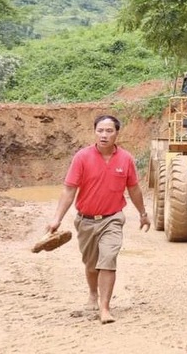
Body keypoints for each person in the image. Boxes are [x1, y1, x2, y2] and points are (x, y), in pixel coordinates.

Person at [46, 115, 150, 325]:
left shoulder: (126, 159)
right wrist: (57, 219)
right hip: (86, 220)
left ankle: (105, 307)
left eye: (109, 131)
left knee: (108, 260)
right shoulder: (82, 157)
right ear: (94, 132)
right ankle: (92, 293)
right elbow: (69, 190)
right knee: (91, 264)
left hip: (112, 218)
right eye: (100, 130)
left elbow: (134, 189)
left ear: (117, 133)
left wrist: (143, 214)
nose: (104, 135)